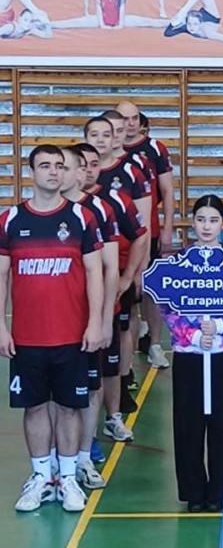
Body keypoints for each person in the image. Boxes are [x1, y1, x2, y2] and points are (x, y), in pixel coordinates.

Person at [1, 145, 104, 513]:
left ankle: (69, 478)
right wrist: (1, 327)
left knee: (69, 407)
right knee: (33, 408)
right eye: (45, 166)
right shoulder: (10, 220)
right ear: (32, 172)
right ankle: (42, 477)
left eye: (59, 166)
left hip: (71, 336)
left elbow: (94, 272)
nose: (53, 172)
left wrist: (95, 322)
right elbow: (1, 276)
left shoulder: (81, 217)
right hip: (27, 338)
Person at [160, 195, 223, 513]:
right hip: (189, 355)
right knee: (188, 423)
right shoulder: (178, 264)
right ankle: (194, 491)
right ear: (192, 223)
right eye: (201, 220)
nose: (207, 227)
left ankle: (219, 489)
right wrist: (192, 334)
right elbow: (168, 306)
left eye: (213, 220)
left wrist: (218, 326)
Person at [79, 142, 148, 444]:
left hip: (110, 296)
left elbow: (140, 236)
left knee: (109, 360)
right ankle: (82, 438)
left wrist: (128, 276)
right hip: (74, 305)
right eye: (81, 165)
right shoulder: (64, 208)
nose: (88, 171)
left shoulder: (112, 202)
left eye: (93, 165)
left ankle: (113, 417)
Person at [60, 145, 119, 490]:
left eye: (68, 167)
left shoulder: (97, 211)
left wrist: (105, 318)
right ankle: (53, 465)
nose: (60, 173)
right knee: (51, 396)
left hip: (88, 320)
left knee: (90, 386)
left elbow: (109, 268)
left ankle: (84, 454)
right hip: (53, 324)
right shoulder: (30, 215)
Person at [117, 101, 174, 370]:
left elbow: (168, 190)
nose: (130, 123)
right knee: (126, 290)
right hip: (116, 238)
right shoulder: (108, 152)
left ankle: (155, 344)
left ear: (141, 121)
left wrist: (167, 227)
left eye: (134, 118)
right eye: (124, 118)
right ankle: (127, 349)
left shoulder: (154, 149)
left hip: (147, 231)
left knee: (151, 288)